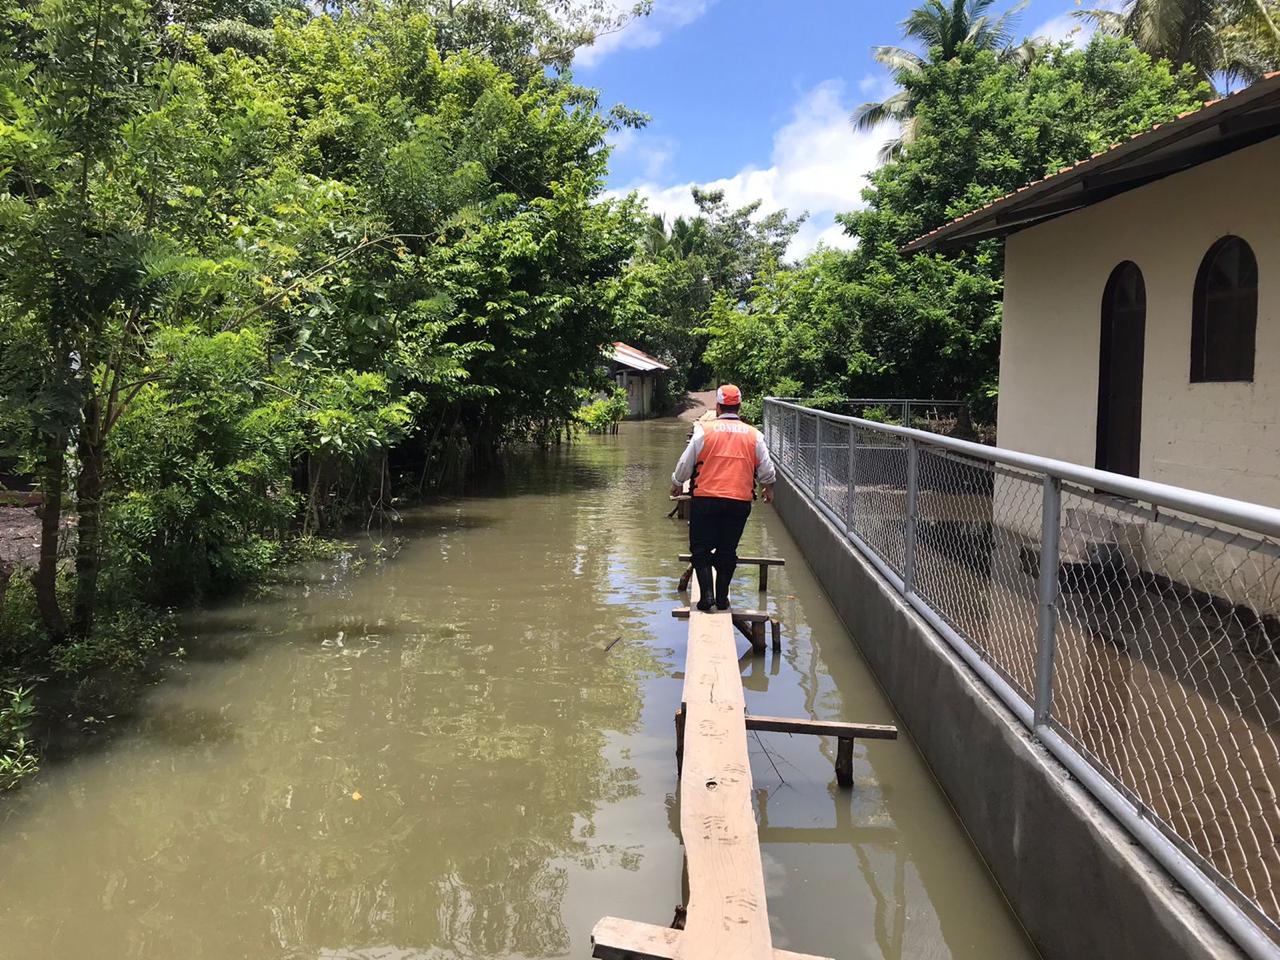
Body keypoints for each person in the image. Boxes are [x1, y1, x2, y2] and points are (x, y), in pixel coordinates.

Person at [670, 384, 776, 612]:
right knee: (727, 550)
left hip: (706, 498)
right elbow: (767, 468)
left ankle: (706, 597)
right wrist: (768, 487)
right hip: (739, 500)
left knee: (701, 549)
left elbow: (685, 463)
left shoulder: (703, 430)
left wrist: (677, 483)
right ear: (739, 407)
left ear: (718, 407)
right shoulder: (754, 435)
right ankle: (722, 598)